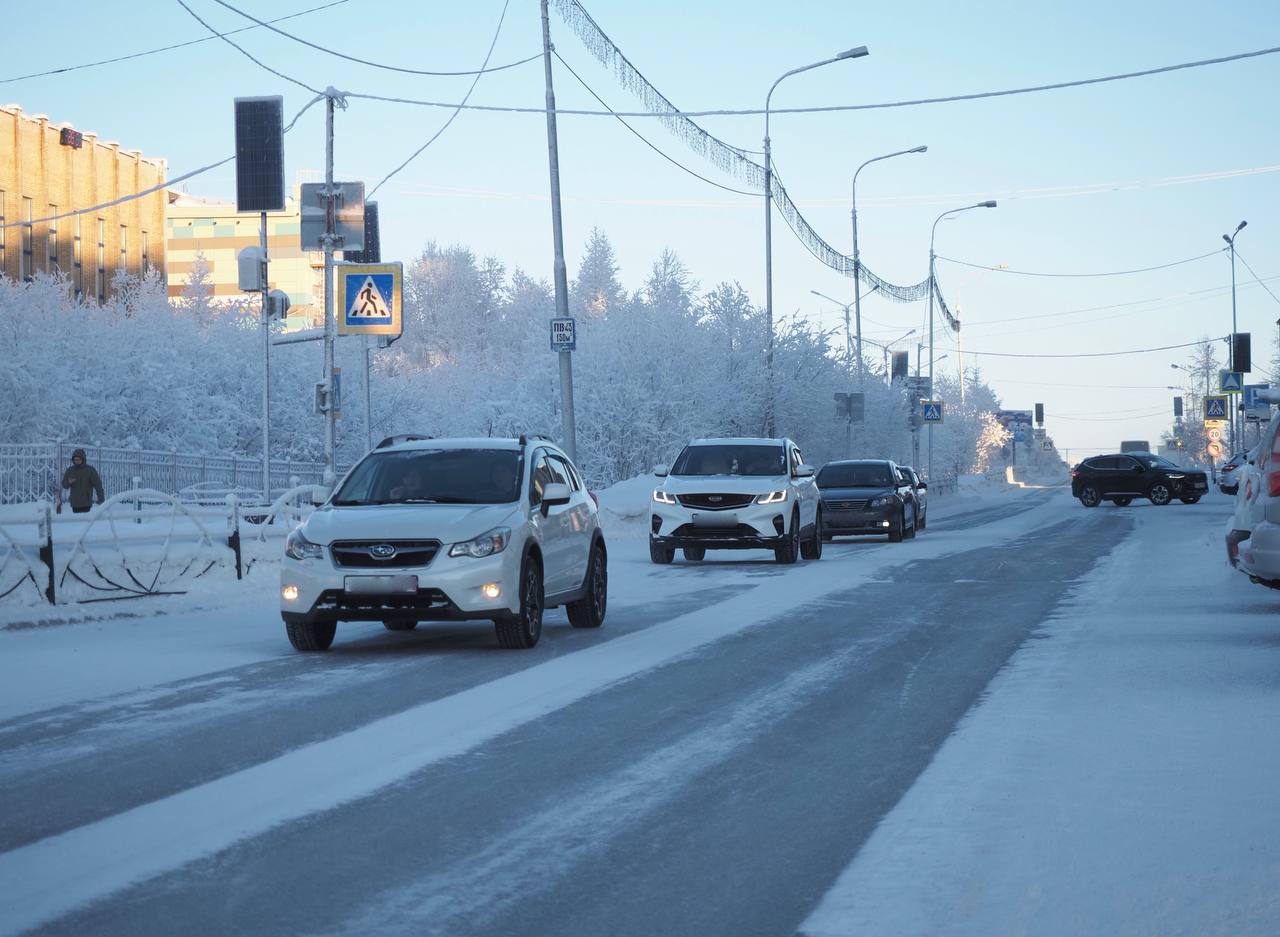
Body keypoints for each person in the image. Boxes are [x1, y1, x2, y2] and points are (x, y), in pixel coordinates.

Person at [61, 449, 104, 514]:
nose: (77, 461)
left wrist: (101, 499)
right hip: (75, 503)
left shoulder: (90, 470)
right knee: (77, 522)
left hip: (86, 503)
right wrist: (69, 482)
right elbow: (64, 485)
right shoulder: (70, 470)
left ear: (83, 459)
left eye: (79, 459)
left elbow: (98, 485)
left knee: (85, 522)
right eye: (75, 460)